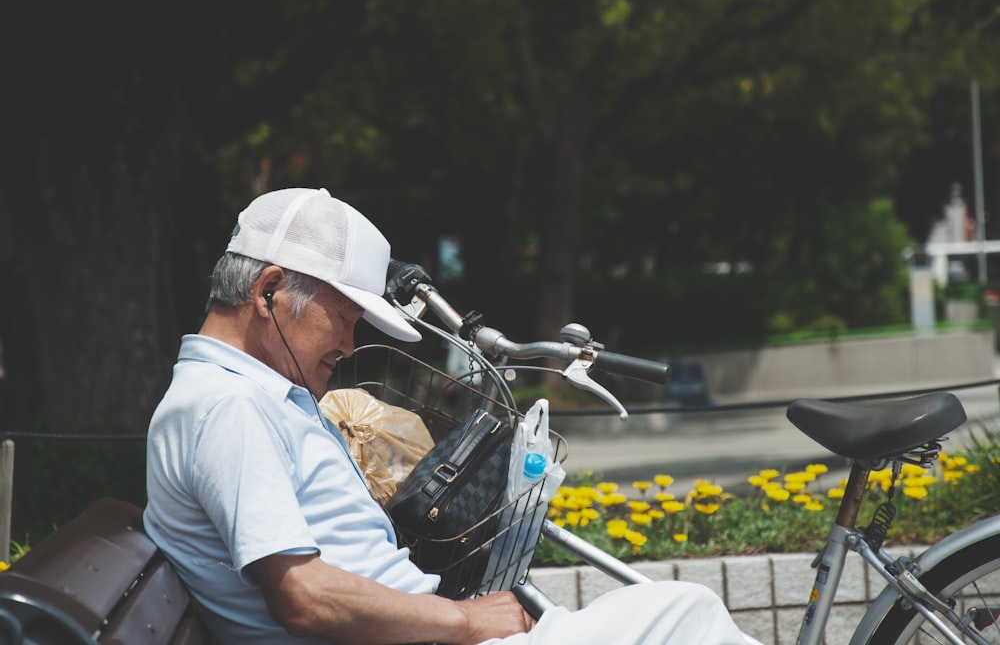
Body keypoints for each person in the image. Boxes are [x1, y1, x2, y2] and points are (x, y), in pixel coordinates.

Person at [144, 187, 761, 645]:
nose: (350, 346)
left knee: (680, 613)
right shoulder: (227, 405)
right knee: (685, 614)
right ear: (269, 291)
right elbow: (303, 596)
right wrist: (464, 620)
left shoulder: (242, 394)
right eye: (346, 317)